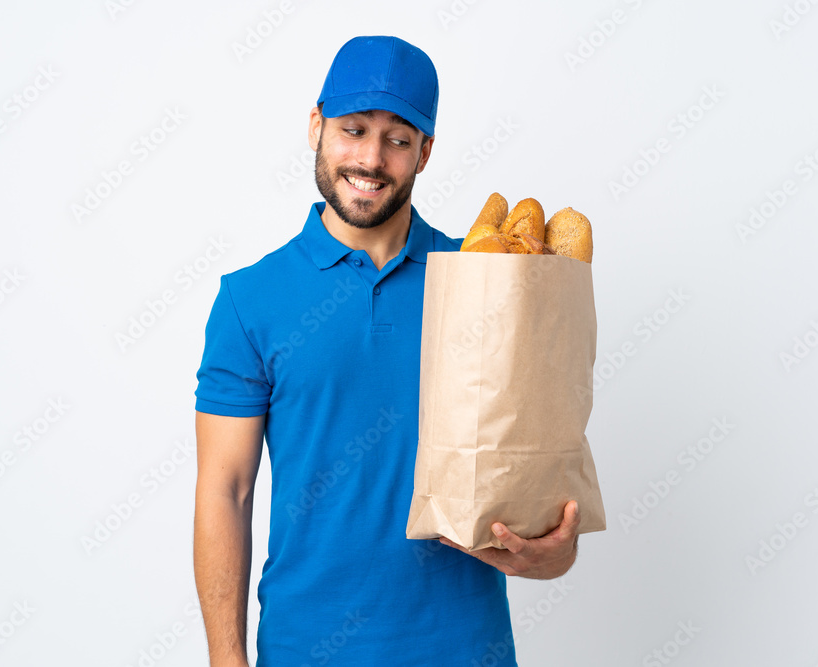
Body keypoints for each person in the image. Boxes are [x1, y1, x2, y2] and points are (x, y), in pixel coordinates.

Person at [192, 35, 580, 667]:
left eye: (398, 139)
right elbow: (225, 492)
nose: (371, 158)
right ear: (316, 125)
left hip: (462, 648)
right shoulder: (250, 300)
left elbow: (537, 474)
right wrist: (225, 662)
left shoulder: (488, 280)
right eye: (353, 129)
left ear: (425, 152)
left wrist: (554, 551)